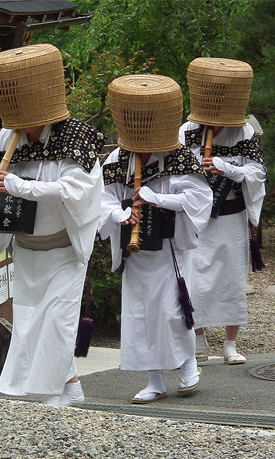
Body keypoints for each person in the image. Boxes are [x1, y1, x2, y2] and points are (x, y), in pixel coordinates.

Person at [0, 44, 104, 407]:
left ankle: (49, 397)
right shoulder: (5, 136)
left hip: (63, 249)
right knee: (31, 320)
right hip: (26, 248)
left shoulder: (74, 135)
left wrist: (21, 187)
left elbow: (75, 190)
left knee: (57, 321)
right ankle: (70, 386)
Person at [99, 74, 212, 404]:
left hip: (170, 248)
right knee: (140, 315)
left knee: (173, 310)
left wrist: (158, 199)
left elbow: (200, 200)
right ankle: (155, 378)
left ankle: (188, 364)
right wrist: (122, 214)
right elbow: (102, 201)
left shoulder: (180, 157)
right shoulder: (117, 160)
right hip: (136, 252)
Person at [180, 58, 266, 365]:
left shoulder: (244, 131)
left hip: (231, 213)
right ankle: (199, 337)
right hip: (197, 215)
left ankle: (231, 343)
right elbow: (175, 172)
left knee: (231, 276)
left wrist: (226, 168)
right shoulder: (187, 130)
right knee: (197, 273)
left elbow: (257, 174)